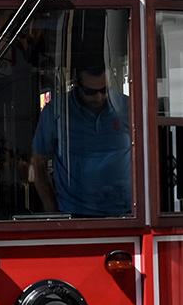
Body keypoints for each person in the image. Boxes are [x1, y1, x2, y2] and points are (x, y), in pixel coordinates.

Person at [28, 58, 133, 217]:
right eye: (91, 91)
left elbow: (147, 155)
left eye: (104, 90)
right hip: (75, 213)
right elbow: (37, 162)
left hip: (126, 212)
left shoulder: (127, 107)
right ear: (76, 83)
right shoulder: (56, 112)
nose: (99, 97)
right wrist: (51, 210)